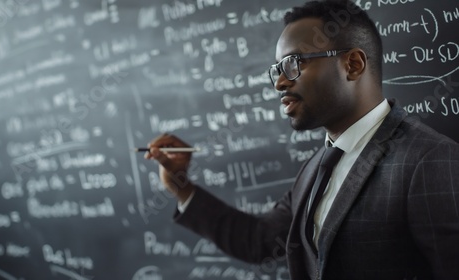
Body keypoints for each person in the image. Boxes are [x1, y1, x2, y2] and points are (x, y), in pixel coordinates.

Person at [144, 0, 459, 279]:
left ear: (353, 64)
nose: (280, 82)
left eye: (294, 64)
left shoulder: (430, 160)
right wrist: (182, 186)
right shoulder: (314, 170)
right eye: (277, 70)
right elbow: (259, 240)